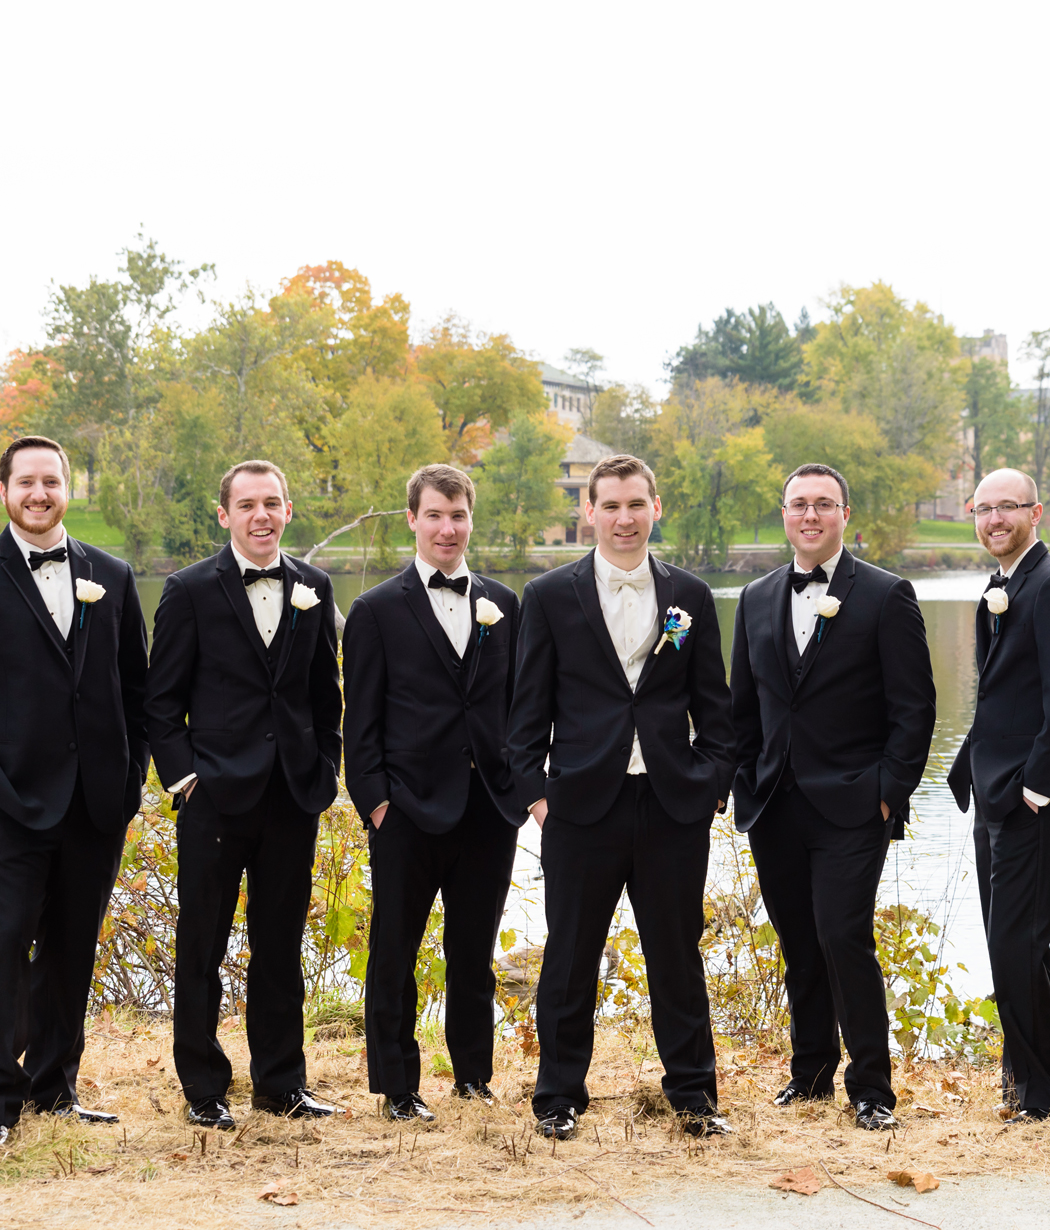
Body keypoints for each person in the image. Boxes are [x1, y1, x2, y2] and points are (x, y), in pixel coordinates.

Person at [0, 435, 149, 1149]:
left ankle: (55, 1087)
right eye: (27, 482)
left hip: (94, 803)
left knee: (73, 947)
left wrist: (130, 782)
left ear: (68, 488)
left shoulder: (111, 573)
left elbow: (135, 691)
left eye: (51, 481)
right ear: (4, 491)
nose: (39, 493)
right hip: (5, 802)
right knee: (6, 943)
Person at [506, 454, 735, 1141]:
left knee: (676, 954)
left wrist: (709, 793)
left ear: (655, 507)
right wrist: (540, 800)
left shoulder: (690, 595)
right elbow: (523, 722)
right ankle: (558, 1097)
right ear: (589, 511)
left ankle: (694, 1098)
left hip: (671, 806)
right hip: (580, 807)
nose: (624, 518)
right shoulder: (549, 595)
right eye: (610, 505)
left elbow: (717, 715)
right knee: (570, 955)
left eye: (636, 504)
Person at [728, 463, 934, 1131]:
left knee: (844, 935)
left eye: (823, 504)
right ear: (783, 515)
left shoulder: (885, 594)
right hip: (774, 804)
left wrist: (888, 792)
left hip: (853, 804)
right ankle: (810, 1072)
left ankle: (872, 1088)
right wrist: (742, 782)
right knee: (798, 942)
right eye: (798, 504)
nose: (810, 515)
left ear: (845, 513)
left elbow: (915, 707)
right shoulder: (755, 596)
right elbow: (742, 707)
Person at [143, 460, 343, 1132]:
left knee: (281, 943)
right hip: (214, 797)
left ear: (288, 510)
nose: (262, 515)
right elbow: (161, 702)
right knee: (201, 943)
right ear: (224, 514)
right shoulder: (188, 589)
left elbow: (324, 696)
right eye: (248, 504)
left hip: (292, 793)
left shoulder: (315, 586)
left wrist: (324, 769)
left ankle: (281, 1083)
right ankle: (204, 1086)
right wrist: (186, 778)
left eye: (273, 503)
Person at [344, 464, 523, 1122]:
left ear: (471, 519)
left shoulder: (504, 604)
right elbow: (358, 722)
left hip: (488, 809)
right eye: (435, 515)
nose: (448, 528)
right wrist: (377, 802)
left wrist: (519, 788)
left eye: (458, 515)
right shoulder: (375, 610)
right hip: (408, 809)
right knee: (395, 949)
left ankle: (474, 1076)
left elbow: (520, 707)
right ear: (413, 519)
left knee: (472, 951)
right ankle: (397, 1085)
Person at [946, 468, 1050, 1122]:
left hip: (1032, 798)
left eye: (1009, 507)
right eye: (985, 508)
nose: (995, 518)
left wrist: (1035, 786)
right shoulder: (1003, 583)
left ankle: (1042, 1094)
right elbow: (1004, 694)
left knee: (1014, 941)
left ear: (1037, 510)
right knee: (1015, 943)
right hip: (993, 790)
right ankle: (1031, 1082)